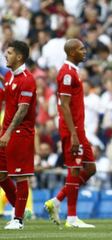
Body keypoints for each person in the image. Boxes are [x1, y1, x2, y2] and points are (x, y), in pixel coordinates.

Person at [44, 39, 96, 228]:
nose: (85, 51)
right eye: (82, 49)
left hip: (78, 130)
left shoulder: (73, 71)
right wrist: (73, 134)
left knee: (90, 169)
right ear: (72, 52)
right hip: (71, 130)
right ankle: (72, 218)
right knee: (74, 169)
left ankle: (56, 201)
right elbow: (64, 105)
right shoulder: (66, 73)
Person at [0, 41, 36, 229]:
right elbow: (7, 97)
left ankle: (18, 219)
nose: (6, 55)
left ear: (19, 57)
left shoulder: (27, 79)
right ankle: (19, 210)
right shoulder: (9, 77)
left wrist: (7, 132)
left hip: (21, 133)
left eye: (9, 52)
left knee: (21, 177)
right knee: (1, 174)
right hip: (6, 133)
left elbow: (22, 110)